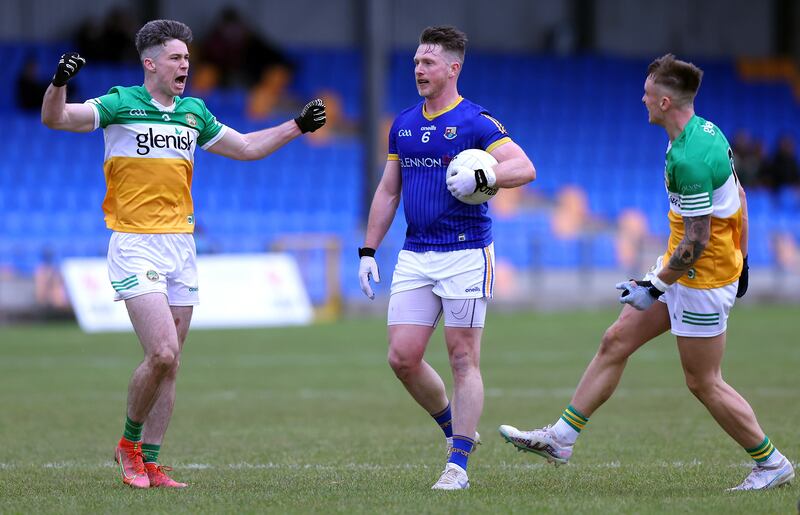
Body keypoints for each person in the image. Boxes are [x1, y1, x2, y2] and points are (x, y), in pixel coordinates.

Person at [41, 19, 326, 489]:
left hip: (181, 246)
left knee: (172, 365)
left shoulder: (193, 112)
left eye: (188, 59)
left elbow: (249, 147)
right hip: (135, 243)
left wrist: (297, 125)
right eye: (176, 58)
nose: (185, 65)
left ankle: (151, 461)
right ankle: (129, 446)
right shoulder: (118, 103)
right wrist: (58, 84)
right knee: (162, 352)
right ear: (149, 63)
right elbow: (56, 118)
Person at [498, 54, 793, 491]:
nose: (642, 98)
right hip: (690, 269)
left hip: (701, 279)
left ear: (666, 101)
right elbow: (740, 198)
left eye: (648, 92)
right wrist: (743, 260)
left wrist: (655, 285)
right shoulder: (703, 132)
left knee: (703, 381)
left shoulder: (690, 157)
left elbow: (695, 245)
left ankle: (772, 463)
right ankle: (561, 438)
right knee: (616, 340)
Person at [358, 26, 535, 490]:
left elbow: (524, 167)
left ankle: (458, 464)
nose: (419, 68)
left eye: (429, 62)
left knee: (462, 358)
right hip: (416, 252)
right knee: (402, 357)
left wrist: (486, 174)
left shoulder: (477, 121)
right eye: (417, 61)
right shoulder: (403, 124)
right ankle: (457, 431)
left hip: (466, 252)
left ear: (453, 68)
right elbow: (388, 189)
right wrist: (368, 250)